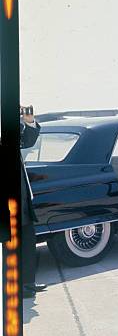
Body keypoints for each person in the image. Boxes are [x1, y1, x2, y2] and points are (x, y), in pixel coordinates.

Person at [19, 107, 47, 298]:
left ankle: (27, 284)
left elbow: (27, 141)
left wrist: (28, 121)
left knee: (27, 240)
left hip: (22, 196)